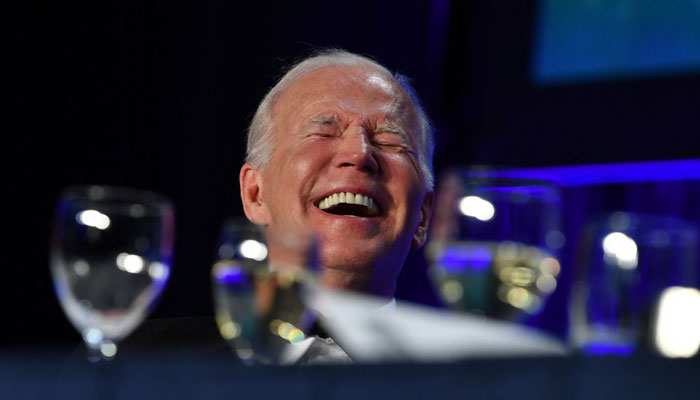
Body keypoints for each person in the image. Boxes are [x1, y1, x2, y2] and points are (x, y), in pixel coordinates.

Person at [238, 50, 435, 363]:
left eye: (389, 141)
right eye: (323, 132)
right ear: (255, 194)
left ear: (422, 215)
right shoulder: (146, 364)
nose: (359, 153)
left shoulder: (487, 384)